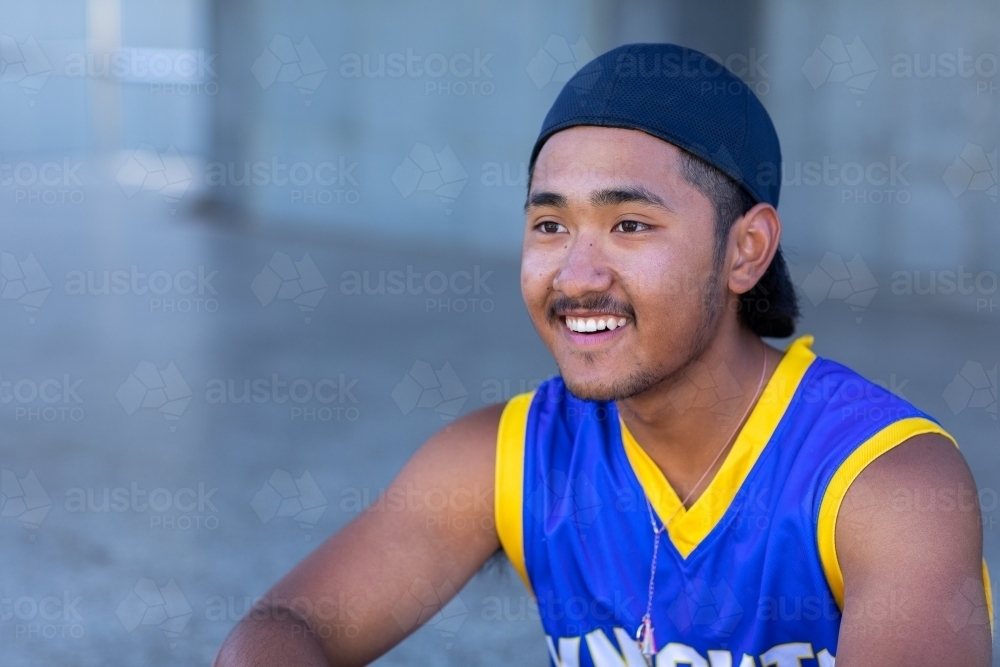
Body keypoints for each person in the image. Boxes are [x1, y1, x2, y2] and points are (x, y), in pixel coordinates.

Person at [214, 43, 992, 667]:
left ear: (745, 251)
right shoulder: (505, 457)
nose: (576, 277)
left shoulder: (883, 481)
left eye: (629, 226)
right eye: (550, 227)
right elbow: (284, 625)